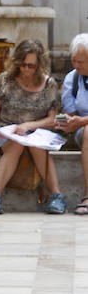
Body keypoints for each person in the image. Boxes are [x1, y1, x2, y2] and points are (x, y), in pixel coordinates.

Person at [0, 39, 65, 215]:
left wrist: (29, 125)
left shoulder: (48, 84)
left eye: (31, 66)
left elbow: (53, 120)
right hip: (9, 132)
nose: (26, 69)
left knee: (36, 146)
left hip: (37, 133)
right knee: (16, 144)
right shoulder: (5, 80)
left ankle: (57, 196)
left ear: (39, 64)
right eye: (23, 64)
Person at [57, 33, 88, 216]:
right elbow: (71, 115)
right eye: (74, 61)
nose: (76, 66)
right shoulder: (72, 79)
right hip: (83, 132)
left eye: (81, 62)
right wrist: (67, 123)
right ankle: (87, 195)